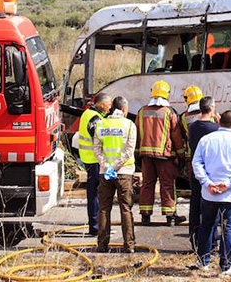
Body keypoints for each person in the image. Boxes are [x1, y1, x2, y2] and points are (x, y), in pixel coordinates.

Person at [192, 110, 231, 277]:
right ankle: (225, 265)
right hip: (230, 195)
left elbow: (196, 163)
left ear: (218, 121)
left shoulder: (206, 140)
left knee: (206, 225)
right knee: (228, 229)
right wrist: (228, 184)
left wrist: (207, 183)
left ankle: (203, 260)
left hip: (209, 194)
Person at [136, 81, 187, 226]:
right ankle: (170, 215)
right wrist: (181, 155)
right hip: (165, 157)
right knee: (167, 185)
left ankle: (145, 215)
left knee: (147, 184)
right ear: (167, 94)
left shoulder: (141, 112)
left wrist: (137, 154)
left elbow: (137, 134)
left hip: (146, 156)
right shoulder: (169, 112)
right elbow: (176, 136)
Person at [94, 96, 137, 253]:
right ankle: (129, 246)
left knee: (104, 209)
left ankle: (102, 245)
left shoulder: (101, 124)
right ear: (124, 110)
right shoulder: (129, 125)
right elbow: (129, 151)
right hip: (124, 173)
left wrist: (106, 166)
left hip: (105, 173)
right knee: (125, 208)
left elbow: (97, 150)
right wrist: (116, 166)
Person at [187, 96, 220, 253]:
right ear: (212, 108)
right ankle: (212, 241)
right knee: (211, 206)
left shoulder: (192, 127)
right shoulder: (215, 129)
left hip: (195, 170)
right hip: (211, 171)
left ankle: (194, 239)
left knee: (195, 204)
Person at [76, 93, 112, 236]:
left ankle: (96, 226)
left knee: (94, 193)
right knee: (96, 194)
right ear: (101, 104)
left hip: (88, 158)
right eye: (108, 105)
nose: (109, 108)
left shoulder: (87, 113)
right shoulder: (95, 117)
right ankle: (96, 227)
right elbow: (99, 138)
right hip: (94, 160)